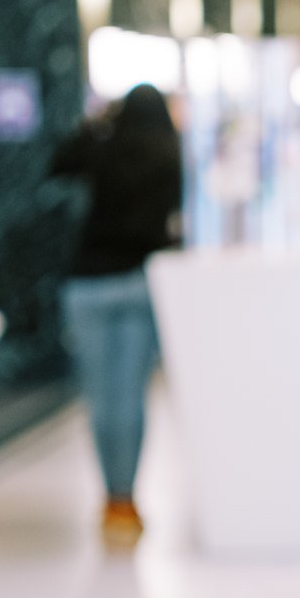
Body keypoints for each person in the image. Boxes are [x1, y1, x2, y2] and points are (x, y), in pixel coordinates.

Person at [51, 84, 182, 546]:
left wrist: (96, 124)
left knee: (100, 398)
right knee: (129, 396)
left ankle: (109, 494)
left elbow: (58, 163)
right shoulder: (170, 152)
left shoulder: (103, 147)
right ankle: (125, 500)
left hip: (88, 283)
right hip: (140, 282)